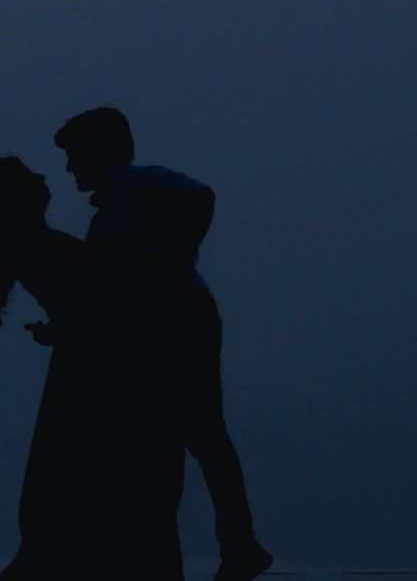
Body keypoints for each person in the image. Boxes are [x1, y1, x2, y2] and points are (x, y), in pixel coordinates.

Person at [55, 108, 270, 581]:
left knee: (202, 433)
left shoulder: (141, 183)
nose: (69, 167)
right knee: (175, 439)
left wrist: (168, 264)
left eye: (73, 156)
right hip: (163, 327)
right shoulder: (111, 213)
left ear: (100, 151)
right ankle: (213, 548)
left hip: (181, 321)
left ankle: (239, 543)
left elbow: (201, 197)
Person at [0, 154, 183, 581]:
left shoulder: (34, 247)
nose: (44, 176)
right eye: (31, 177)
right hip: (96, 381)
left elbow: (83, 306)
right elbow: (97, 306)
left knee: (75, 503)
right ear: (17, 198)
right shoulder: (39, 247)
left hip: (84, 374)